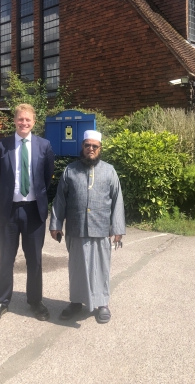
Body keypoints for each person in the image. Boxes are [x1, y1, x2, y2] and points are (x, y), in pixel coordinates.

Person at [0, 103, 54, 325]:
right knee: (6, 258)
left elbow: (47, 177)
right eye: (20, 119)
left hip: (34, 211)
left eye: (28, 119)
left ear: (34, 122)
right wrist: (7, 196)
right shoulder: (1, 146)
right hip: (8, 212)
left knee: (35, 260)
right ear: (14, 121)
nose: (24, 123)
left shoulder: (44, 146)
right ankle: (2, 302)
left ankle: (35, 301)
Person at [50, 130, 125, 324]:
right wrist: (55, 224)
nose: (90, 149)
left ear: (100, 149)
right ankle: (76, 302)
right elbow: (59, 200)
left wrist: (117, 228)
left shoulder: (109, 171)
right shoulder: (70, 170)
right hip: (76, 228)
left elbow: (117, 201)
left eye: (94, 146)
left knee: (101, 267)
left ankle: (102, 304)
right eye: (87, 145)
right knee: (77, 268)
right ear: (82, 147)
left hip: (101, 228)